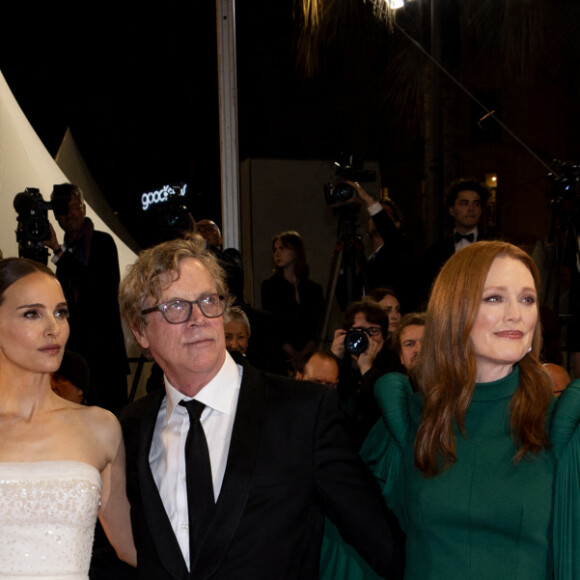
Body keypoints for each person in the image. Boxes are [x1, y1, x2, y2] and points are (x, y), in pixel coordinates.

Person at [118, 235, 403, 580]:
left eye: (209, 300)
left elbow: (383, 544)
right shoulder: (130, 429)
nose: (199, 318)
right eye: (175, 306)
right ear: (140, 331)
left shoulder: (303, 413)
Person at [324, 240, 580, 579]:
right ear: (455, 311)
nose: (516, 314)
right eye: (494, 298)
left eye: (527, 299)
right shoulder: (408, 421)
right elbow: (355, 540)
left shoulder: (561, 425)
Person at [0, 258, 136, 577]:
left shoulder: (100, 428)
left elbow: (130, 547)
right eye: (32, 313)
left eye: (60, 312)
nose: (54, 329)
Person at [42, 183, 129, 412]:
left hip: (105, 358)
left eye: (76, 206)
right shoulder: (65, 253)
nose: (72, 213)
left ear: (84, 209)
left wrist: (58, 252)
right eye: (65, 208)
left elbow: (98, 289)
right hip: (76, 357)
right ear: (57, 216)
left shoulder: (103, 242)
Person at [331, 300, 403, 444]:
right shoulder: (339, 362)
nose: (366, 337)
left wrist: (367, 370)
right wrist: (334, 359)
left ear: (383, 335)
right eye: (359, 331)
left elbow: (386, 409)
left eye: (373, 331)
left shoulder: (394, 364)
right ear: (346, 333)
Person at [261, 231, 324, 374]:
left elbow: (317, 323)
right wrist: (293, 354)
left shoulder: (313, 288)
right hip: (280, 356)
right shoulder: (270, 286)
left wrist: (304, 353)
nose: (277, 253)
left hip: (309, 354)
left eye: (282, 248)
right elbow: (272, 323)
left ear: (296, 251)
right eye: (275, 250)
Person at [421, 178, 489, 304]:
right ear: (451, 210)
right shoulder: (435, 252)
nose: (471, 209)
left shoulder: (492, 247)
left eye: (476, 204)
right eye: (464, 203)